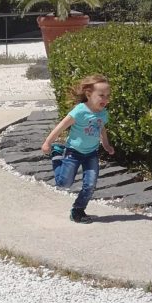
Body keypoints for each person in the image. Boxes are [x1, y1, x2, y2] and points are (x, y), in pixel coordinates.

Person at [42, 74, 115, 224]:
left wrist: (106, 144)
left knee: (90, 184)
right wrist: (48, 142)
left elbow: (101, 128)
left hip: (91, 153)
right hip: (73, 152)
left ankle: (78, 210)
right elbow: (61, 126)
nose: (105, 99)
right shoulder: (80, 111)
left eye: (107, 96)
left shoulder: (103, 113)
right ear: (89, 94)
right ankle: (57, 154)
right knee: (64, 183)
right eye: (101, 95)